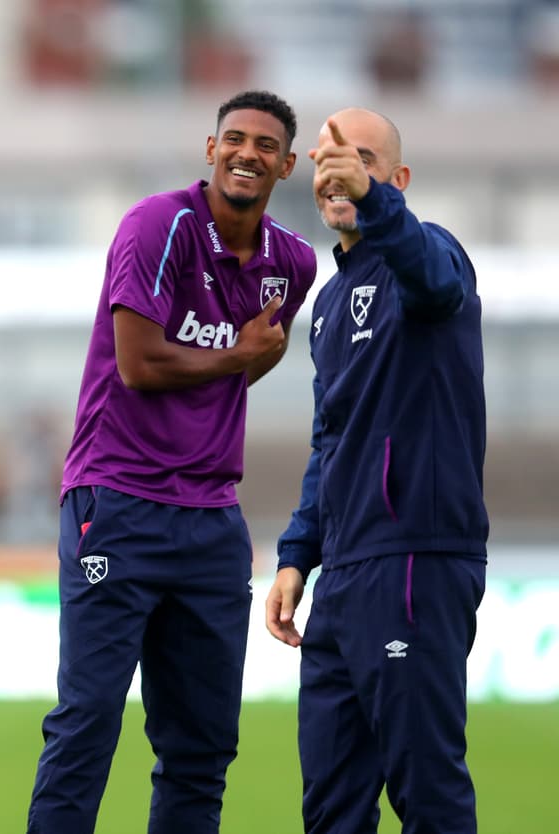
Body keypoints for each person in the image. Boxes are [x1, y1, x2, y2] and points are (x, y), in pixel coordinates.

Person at [27, 90, 318, 834]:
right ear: (210, 147)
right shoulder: (158, 225)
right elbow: (140, 363)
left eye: (264, 145)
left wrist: (237, 358)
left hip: (213, 517)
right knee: (88, 723)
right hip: (117, 501)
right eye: (234, 138)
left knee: (204, 746)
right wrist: (238, 353)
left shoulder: (294, 261)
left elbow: (242, 366)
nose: (246, 153)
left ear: (286, 164)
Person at [265, 108, 488, 833]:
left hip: (414, 557)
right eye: (334, 161)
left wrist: (376, 201)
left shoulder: (430, 257)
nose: (342, 173)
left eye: (363, 159)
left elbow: (433, 281)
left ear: (398, 179)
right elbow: (331, 438)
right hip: (344, 574)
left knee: (426, 791)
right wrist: (299, 556)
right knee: (330, 804)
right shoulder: (328, 304)